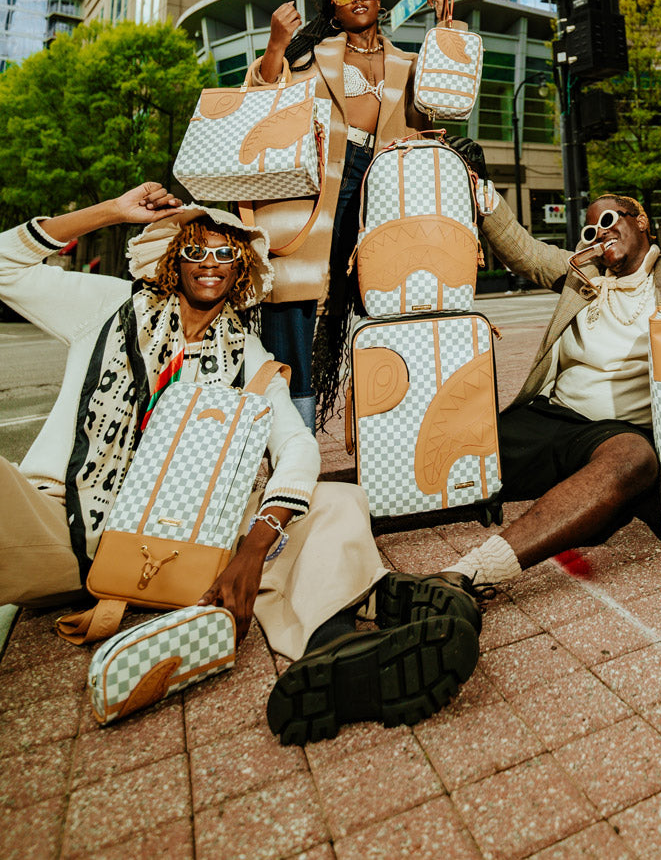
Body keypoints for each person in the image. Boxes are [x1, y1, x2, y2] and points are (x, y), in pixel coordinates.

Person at [0, 183, 480, 741]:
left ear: (242, 269)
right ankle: (369, 592)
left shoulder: (246, 353)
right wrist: (111, 211)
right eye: (196, 251)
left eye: (226, 253)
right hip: (65, 524)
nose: (210, 264)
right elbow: (5, 265)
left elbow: (296, 446)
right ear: (172, 261)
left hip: (187, 535)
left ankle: (336, 652)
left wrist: (254, 546)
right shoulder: (107, 308)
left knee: (336, 499)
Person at [391, 178, 661, 599]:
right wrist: (483, 197)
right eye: (592, 229)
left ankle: (473, 572)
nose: (601, 233)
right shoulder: (584, 272)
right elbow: (527, 252)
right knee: (441, 454)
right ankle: (319, 512)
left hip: (615, 434)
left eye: (611, 221)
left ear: (642, 223)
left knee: (636, 460)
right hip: (550, 416)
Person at [248, 0, 444, 432]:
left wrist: (444, 31)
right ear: (331, 7)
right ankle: (294, 434)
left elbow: (437, 111)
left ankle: (391, 419)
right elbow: (261, 97)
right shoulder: (311, 54)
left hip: (382, 184)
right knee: (292, 298)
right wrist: (276, 44)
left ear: (379, 0)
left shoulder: (408, 60)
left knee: (387, 294)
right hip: (316, 184)